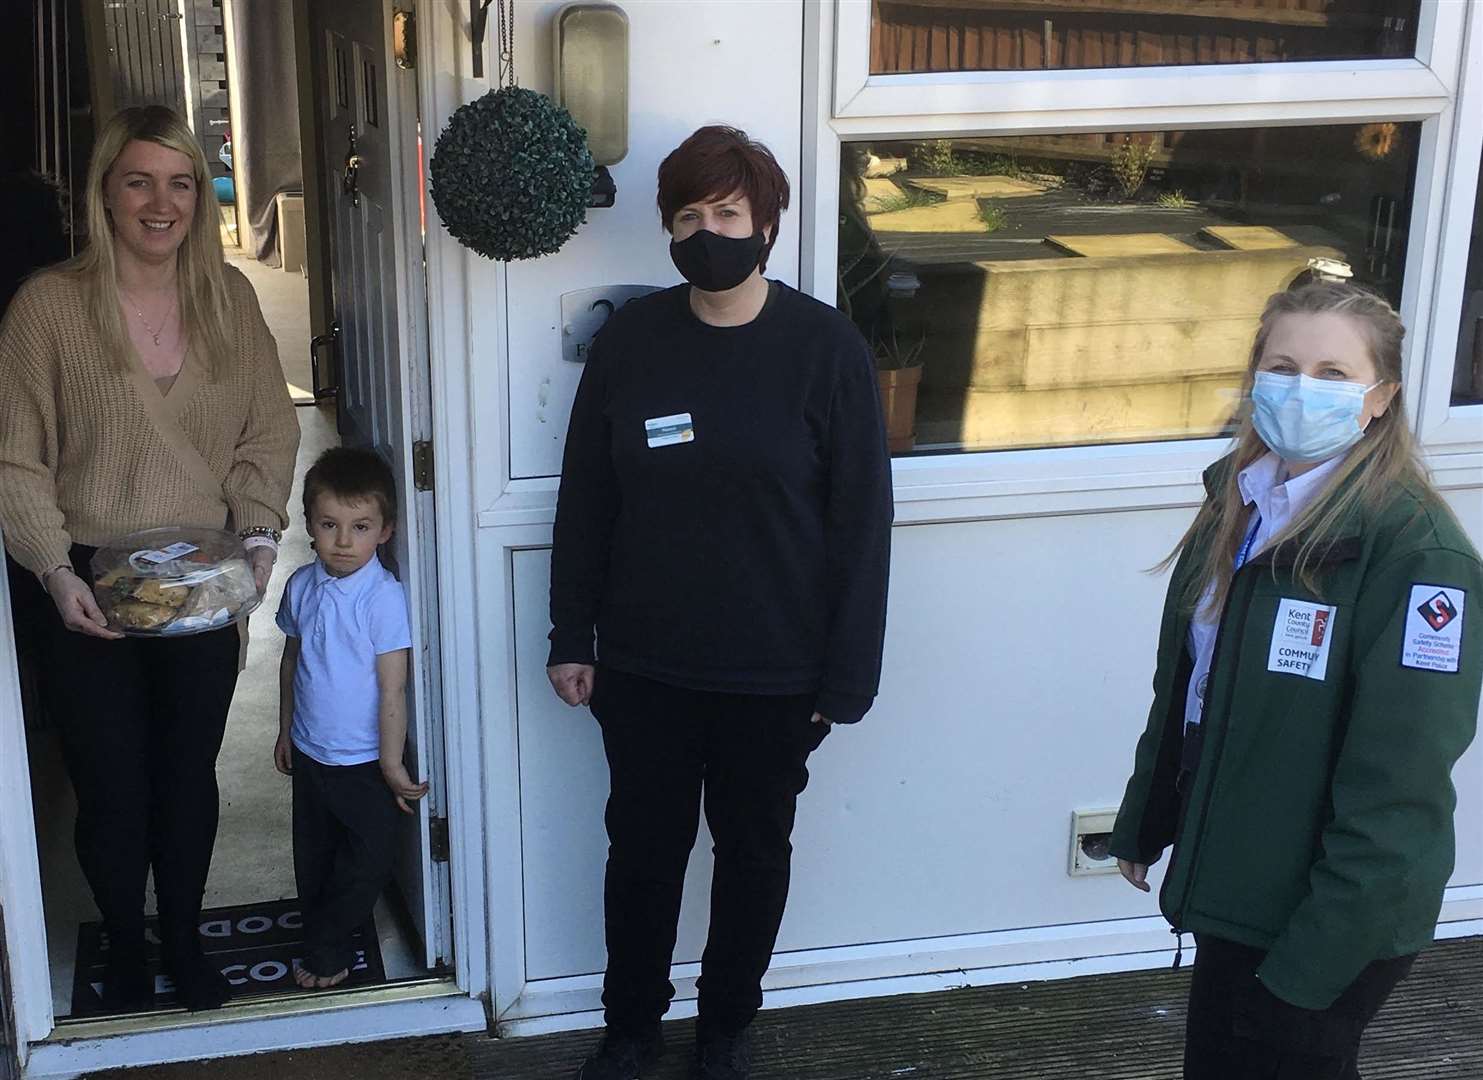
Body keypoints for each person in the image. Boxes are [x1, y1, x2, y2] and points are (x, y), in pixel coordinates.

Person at [548, 126, 894, 1080]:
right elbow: (586, 500)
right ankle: (630, 1028)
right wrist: (569, 635)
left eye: (729, 214)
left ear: (768, 223)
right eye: (689, 216)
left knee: (752, 858)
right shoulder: (634, 342)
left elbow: (863, 526)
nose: (709, 232)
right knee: (643, 857)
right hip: (644, 666)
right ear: (667, 227)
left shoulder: (826, 351)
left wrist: (844, 679)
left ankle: (725, 1029)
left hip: (775, 677)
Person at [1109, 281, 1482, 1080]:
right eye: (1283, 365)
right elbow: (1188, 687)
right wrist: (1148, 814)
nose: (1300, 388)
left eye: (1334, 374)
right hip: (1243, 880)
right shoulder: (1239, 503)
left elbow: (1400, 789)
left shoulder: (1416, 556)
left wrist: (1315, 962)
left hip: (1329, 913)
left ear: (1379, 398)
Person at [0, 105, 300, 1011]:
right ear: (105, 193)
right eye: (138, 180)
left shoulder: (230, 300)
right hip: (91, 585)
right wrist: (53, 569)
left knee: (186, 775)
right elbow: (17, 455)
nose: (160, 203)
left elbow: (270, 427)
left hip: (204, 585)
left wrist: (255, 536)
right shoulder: (48, 308)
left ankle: (185, 936)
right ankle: (126, 946)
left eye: (179, 183)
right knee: (109, 782)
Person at [273, 447, 427, 989]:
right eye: (330, 525)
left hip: (363, 760)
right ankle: (324, 937)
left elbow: (393, 686)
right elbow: (292, 660)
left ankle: (328, 942)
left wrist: (390, 763)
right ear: (310, 525)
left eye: (360, 527)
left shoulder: (383, 599)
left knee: (368, 860)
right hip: (312, 751)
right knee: (312, 856)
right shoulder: (301, 586)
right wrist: (285, 727)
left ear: (385, 531)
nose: (343, 541)